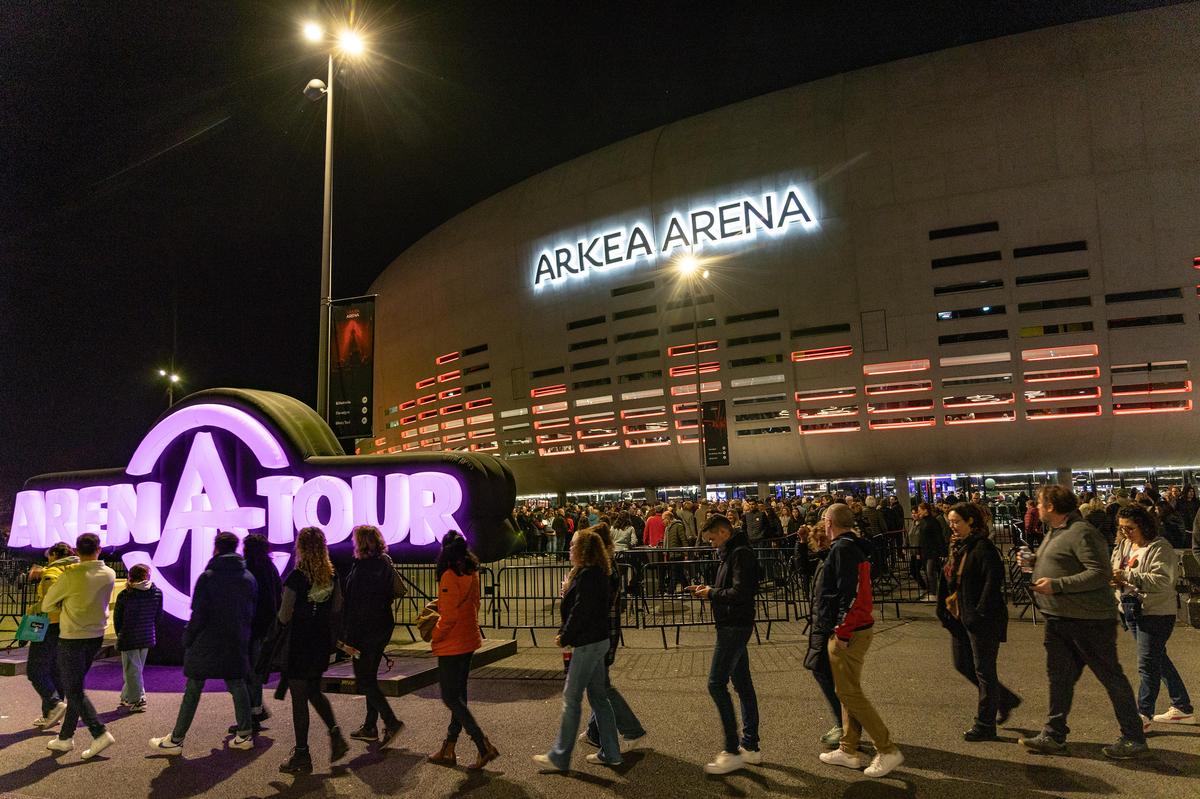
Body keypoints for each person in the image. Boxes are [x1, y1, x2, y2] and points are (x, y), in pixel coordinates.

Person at [1018, 485, 1148, 759]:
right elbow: (1064, 563)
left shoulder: (1081, 532)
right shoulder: (1057, 532)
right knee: (1060, 678)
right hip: (1060, 619)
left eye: (1040, 503)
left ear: (1051, 506)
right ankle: (1053, 734)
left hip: (1088, 621)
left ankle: (1134, 738)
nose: (1036, 507)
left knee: (1110, 676)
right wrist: (1034, 562)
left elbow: (1099, 573)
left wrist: (1058, 585)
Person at [816, 504, 904, 778]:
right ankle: (848, 748)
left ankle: (887, 749)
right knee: (848, 691)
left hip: (850, 631)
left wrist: (842, 630)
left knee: (849, 694)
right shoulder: (852, 546)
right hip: (856, 627)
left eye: (823, 520)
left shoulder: (843, 549)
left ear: (829, 522)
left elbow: (851, 593)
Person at [149, 531, 257, 753]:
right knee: (237, 684)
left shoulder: (208, 577)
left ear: (216, 548)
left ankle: (176, 739)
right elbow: (250, 612)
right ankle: (245, 735)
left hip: (207, 642)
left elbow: (199, 614)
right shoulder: (248, 578)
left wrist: (188, 637)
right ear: (236, 548)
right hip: (235, 640)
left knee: (193, 689)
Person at [533, 528, 622, 771]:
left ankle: (560, 756)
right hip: (598, 641)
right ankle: (612, 752)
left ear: (583, 550)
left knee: (571, 699)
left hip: (587, 643)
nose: (569, 550)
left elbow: (581, 610)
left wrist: (565, 635)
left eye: (573, 546)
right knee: (599, 698)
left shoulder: (588, 575)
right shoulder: (597, 573)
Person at [936, 503, 1021, 741]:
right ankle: (1005, 699)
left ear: (971, 521)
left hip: (981, 620)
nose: (951, 526)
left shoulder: (983, 548)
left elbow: (992, 584)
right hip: (960, 617)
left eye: (956, 522)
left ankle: (985, 724)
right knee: (963, 663)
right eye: (950, 522)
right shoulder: (958, 546)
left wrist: (979, 612)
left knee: (984, 670)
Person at [689, 513, 761, 774]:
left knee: (716, 683)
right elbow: (734, 588)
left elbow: (741, 592)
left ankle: (732, 749)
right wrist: (709, 589)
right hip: (734, 624)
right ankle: (750, 745)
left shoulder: (739, 554)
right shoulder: (734, 553)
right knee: (742, 683)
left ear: (723, 532)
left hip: (734, 625)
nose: (711, 544)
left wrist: (712, 593)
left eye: (712, 539)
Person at [1111, 505, 1194, 727]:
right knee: (1157, 659)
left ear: (1144, 525)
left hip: (1156, 612)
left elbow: (1163, 580)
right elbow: (1114, 567)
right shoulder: (1124, 545)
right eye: (1122, 528)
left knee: (1146, 664)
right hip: (1131, 610)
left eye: (1130, 528)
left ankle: (1143, 715)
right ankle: (1182, 706)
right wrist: (1114, 578)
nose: (1126, 532)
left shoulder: (1160, 547)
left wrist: (1128, 576)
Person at [277, 527, 349, 774]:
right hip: (320, 643)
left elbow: (285, 615)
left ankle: (301, 754)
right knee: (314, 691)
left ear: (301, 548)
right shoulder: (331, 576)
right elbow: (338, 606)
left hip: (299, 644)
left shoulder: (296, 577)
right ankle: (335, 733)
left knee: (300, 699)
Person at [40, 532, 117, 760]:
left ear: (76, 551)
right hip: (95, 636)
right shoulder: (109, 573)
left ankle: (99, 732)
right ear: (99, 549)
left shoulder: (71, 575)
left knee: (73, 690)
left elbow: (46, 604)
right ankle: (65, 738)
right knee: (76, 688)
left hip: (72, 636)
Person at [427, 531, 500, 770]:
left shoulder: (448, 575)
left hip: (452, 643)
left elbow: (448, 618)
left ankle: (482, 744)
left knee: (450, 697)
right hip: (469, 638)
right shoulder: (471, 572)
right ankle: (449, 746)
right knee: (459, 695)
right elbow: (474, 603)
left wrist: (434, 636)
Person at [580, 523, 647, 753]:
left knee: (602, 688)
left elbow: (598, 606)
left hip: (602, 635)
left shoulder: (605, 571)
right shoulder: (609, 566)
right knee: (599, 685)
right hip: (607, 633)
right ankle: (594, 731)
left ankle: (632, 730)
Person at [340, 525, 406, 748]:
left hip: (363, 633)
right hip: (382, 626)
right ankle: (370, 726)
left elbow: (355, 605)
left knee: (365, 680)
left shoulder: (361, 569)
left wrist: (348, 637)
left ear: (361, 543)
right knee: (370, 677)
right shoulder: (383, 563)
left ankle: (391, 721)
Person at [27, 542, 77, 730]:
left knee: (35, 670)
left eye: (49, 556)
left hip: (48, 625)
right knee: (56, 669)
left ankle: (54, 704)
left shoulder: (51, 575)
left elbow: (50, 603)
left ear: (55, 554)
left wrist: (32, 609)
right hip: (68, 626)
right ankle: (50, 714)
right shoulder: (76, 570)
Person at [803, 521, 844, 749]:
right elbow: (803, 570)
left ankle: (845, 724)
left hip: (827, 626)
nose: (818, 543)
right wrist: (801, 546)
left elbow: (838, 595)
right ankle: (844, 722)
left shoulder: (833, 559)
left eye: (822, 539)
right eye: (815, 539)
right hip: (821, 624)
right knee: (824, 672)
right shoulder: (822, 560)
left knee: (828, 674)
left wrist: (836, 625)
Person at [237, 533, 281, 733]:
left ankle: (251, 715)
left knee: (246, 673)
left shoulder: (246, 569)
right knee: (255, 670)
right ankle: (255, 710)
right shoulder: (270, 568)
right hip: (265, 627)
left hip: (249, 627)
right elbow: (278, 595)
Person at [113, 562, 162, 713]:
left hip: (129, 636)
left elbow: (118, 619)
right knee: (136, 669)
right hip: (147, 635)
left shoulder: (126, 594)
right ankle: (127, 695)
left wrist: (119, 634)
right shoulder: (157, 592)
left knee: (131, 670)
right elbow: (158, 616)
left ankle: (139, 700)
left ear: (130, 576)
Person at [915, 502, 946, 602]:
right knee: (927, 572)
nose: (919, 512)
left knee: (930, 572)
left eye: (920, 510)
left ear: (926, 510)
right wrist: (919, 551)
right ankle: (932, 591)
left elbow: (938, 537)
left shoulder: (933, 522)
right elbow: (921, 537)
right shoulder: (923, 521)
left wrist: (942, 552)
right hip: (925, 550)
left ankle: (934, 593)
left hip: (932, 550)